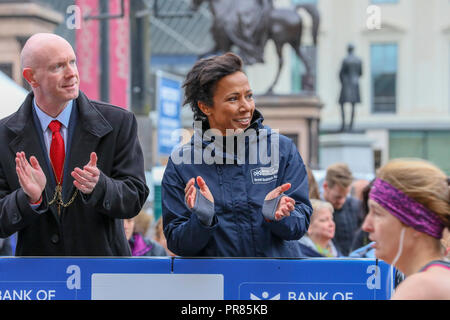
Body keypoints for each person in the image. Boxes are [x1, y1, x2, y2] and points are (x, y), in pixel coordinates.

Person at [0, 33, 149, 256]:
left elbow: (135, 197)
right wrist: (29, 199)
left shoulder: (118, 122)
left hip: (102, 272)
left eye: (72, 62)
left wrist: (100, 187)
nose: (72, 73)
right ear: (31, 77)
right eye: (58, 66)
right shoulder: (4, 135)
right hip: (39, 279)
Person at [162, 52, 312, 257]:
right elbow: (176, 242)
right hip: (217, 285)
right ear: (205, 107)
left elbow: (300, 223)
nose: (246, 107)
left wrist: (279, 217)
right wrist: (202, 220)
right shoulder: (182, 163)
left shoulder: (282, 149)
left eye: (249, 96)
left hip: (275, 281)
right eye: (233, 99)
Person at [362, 159, 450, 299]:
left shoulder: (420, 287)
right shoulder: (439, 276)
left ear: (415, 222)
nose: (366, 225)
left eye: (377, 213)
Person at [322, 163, 361, 256]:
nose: (342, 201)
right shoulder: (315, 211)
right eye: (338, 197)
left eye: (345, 196)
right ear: (325, 186)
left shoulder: (356, 206)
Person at [338, 43, 362, 132]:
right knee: (353, 105)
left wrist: (343, 81)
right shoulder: (358, 60)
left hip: (346, 83)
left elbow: (341, 73)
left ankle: (344, 125)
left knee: (342, 104)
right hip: (355, 84)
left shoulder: (345, 59)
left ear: (348, 50)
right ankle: (351, 126)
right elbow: (360, 73)